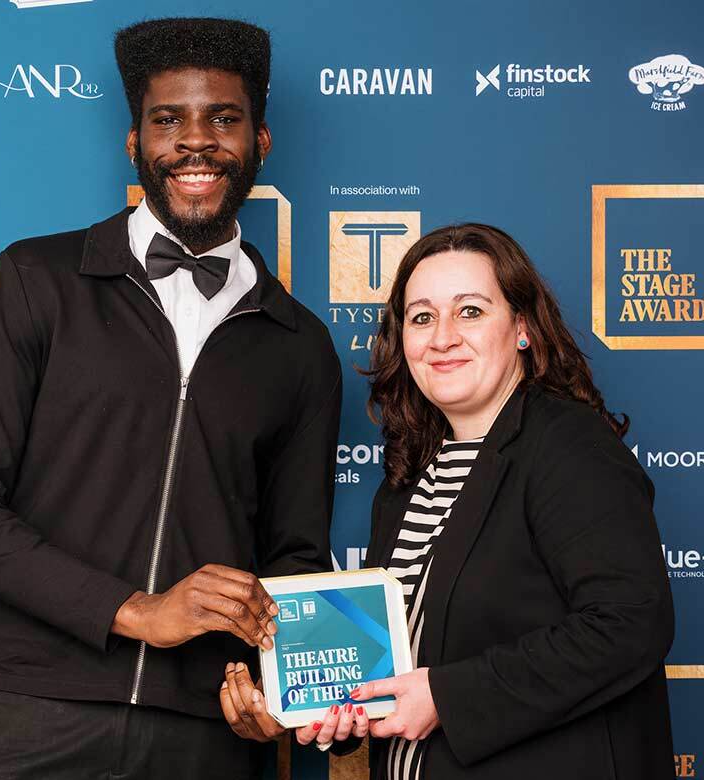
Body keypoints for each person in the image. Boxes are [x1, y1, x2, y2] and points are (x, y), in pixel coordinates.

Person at [0, 17, 342, 780]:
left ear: (262, 142)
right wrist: (136, 611)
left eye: (224, 118)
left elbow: (294, 560)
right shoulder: (36, 281)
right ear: (134, 143)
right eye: (168, 119)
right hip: (30, 717)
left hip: (203, 738)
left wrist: (282, 689)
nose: (196, 142)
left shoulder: (299, 342)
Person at [225, 223, 674, 777]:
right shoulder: (409, 478)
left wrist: (446, 696)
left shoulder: (567, 444)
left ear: (524, 328)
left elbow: (630, 623)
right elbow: (399, 667)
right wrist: (338, 710)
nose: (442, 337)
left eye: (470, 311)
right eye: (421, 317)